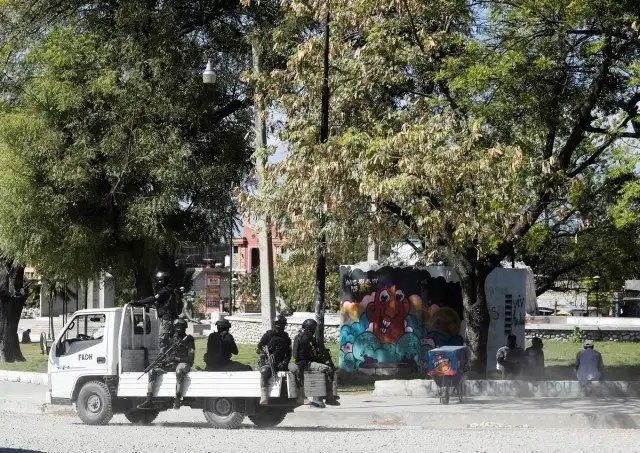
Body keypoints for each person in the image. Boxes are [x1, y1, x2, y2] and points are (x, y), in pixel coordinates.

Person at [137, 318, 194, 411]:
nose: (178, 329)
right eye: (177, 327)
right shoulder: (171, 340)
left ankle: (177, 399)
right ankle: (149, 400)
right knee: (152, 371)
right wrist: (164, 360)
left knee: (179, 371)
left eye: (181, 326)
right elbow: (166, 354)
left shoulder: (189, 340)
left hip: (183, 363)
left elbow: (191, 359)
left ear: (184, 327)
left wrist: (176, 358)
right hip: (171, 364)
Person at [257, 314, 303, 405]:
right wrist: (266, 355)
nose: (281, 326)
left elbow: (289, 352)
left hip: (282, 362)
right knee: (264, 371)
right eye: (279, 324)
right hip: (269, 362)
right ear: (275, 324)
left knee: (296, 369)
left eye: (283, 324)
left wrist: (285, 361)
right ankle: (264, 395)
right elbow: (259, 347)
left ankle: (300, 395)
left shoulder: (286, 337)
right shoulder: (268, 335)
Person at [293, 319, 340, 408]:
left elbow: (295, 354)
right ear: (310, 328)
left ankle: (328, 396)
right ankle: (327, 397)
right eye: (313, 328)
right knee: (327, 369)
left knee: (327, 367)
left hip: (303, 362)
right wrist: (316, 358)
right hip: (306, 363)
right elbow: (309, 354)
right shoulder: (307, 338)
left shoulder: (299, 337)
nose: (314, 330)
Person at [132, 272, 182, 354]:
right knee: (171, 340)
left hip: (167, 318)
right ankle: (171, 356)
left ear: (165, 280)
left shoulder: (165, 290)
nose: (159, 282)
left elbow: (153, 298)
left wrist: (139, 302)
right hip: (172, 318)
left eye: (160, 280)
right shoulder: (171, 290)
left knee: (163, 339)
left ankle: (163, 357)